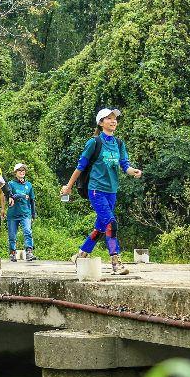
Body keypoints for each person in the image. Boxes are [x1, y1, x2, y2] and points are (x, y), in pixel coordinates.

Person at [60, 108, 143, 275]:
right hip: (96, 190)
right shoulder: (95, 142)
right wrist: (68, 186)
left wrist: (133, 171)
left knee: (101, 228)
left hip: (112, 191)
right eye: (109, 118)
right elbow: (81, 166)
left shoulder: (119, 144)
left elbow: (124, 165)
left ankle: (81, 255)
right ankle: (116, 263)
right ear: (100, 122)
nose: (113, 121)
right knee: (111, 223)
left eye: (115, 119)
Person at [6, 163, 37, 262]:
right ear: (15, 173)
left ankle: (29, 252)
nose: (22, 172)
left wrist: (33, 214)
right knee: (12, 235)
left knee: (28, 231)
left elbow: (32, 200)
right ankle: (12, 252)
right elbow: (10, 196)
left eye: (23, 170)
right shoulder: (11, 184)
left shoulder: (29, 185)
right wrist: (22, 195)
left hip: (25, 213)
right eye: (20, 170)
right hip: (13, 213)